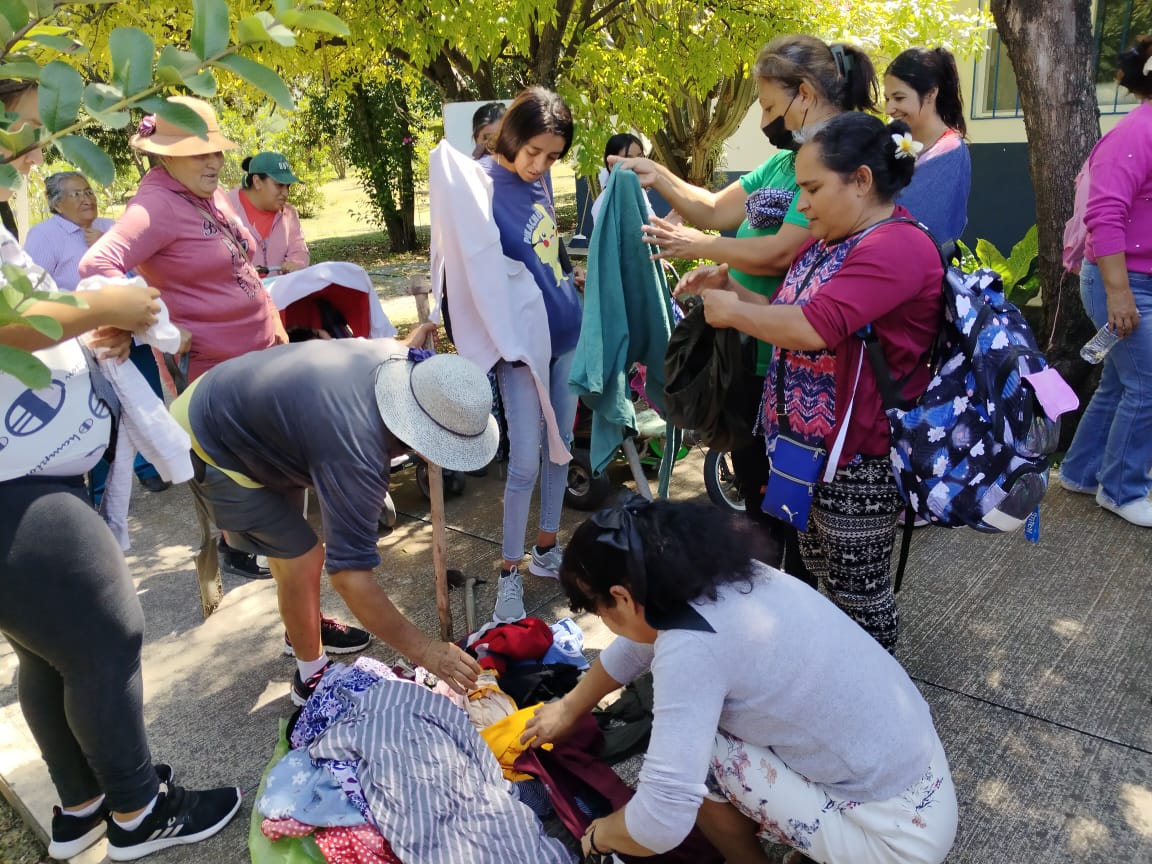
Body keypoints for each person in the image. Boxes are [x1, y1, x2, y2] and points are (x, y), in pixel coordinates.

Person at [0, 81, 242, 861]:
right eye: (32, 128)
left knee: (51, 648)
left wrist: (80, 332)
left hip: (31, 463)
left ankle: (81, 806)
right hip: (16, 481)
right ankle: (141, 814)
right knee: (107, 638)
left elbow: (25, 327)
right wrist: (121, 310)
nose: (43, 147)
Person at [522, 498, 957, 864]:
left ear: (621, 597)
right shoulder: (721, 576)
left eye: (601, 613)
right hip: (923, 780)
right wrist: (569, 706)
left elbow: (660, 821)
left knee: (706, 751)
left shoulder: (691, 650)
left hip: (898, 843)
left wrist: (602, 833)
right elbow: (643, 638)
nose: (607, 624)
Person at [676, 112, 944, 652]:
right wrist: (730, 289)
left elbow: (812, 326)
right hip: (806, 448)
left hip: (859, 458)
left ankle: (874, 710)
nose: (801, 205)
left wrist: (732, 312)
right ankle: (828, 689)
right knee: (821, 570)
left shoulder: (896, 248)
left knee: (860, 598)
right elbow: (785, 313)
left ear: (862, 180)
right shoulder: (831, 241)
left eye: (813, 188)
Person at [617, 35, 879, 581]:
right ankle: (777, 610)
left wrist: (702, 246)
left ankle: (790, 611)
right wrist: (657, 174)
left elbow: (783, 248)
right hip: (750, 355)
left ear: (803, 94)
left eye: (766, 105)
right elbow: (715, 207)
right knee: (764, 503)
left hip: (790, 367)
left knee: (789, 516)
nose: (764, 118)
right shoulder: (786, 162)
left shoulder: (833, 165)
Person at [78, 98, 329, 600]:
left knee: (287, 485)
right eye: (198, 153)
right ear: (165, 155)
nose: (213, 161)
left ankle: (298, 618)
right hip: (221, 379)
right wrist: (155, 324)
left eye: (214, 150)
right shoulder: (155, 205)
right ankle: (300, 624)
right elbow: (96, 268)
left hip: (264, 357)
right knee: (272, 499)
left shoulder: (202, 194)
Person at [171, 332, 494, 704]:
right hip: (213, 438)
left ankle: (302, 625)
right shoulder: (355, 450)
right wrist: (427, 652)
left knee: (293, 554)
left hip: (266, 420)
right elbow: (350, 577)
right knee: (302, 558)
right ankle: (310, 676)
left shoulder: (402, 365)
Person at [473, 87, 583, 622]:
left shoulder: (538, 178)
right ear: (513, 135)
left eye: (553, 157)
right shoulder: (479, 188)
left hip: (567, 334)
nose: (540, 165)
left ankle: (545, 550)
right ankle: (508, 575)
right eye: (534, 151)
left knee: (559, 453)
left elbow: (546, 247)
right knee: (522, 464)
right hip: (521, 351)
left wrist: (567, 273)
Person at [24, 171, 170, 496]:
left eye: (88, 190)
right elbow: (34, 289)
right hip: (86, 341)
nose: (87, 198)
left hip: (130, 332)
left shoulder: (110, 227)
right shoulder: (44, 235)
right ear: (55, 203)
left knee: (148, 400)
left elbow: (139, 273)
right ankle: (103, 487)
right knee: (101, 410)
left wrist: (105, 246)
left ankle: (152, 466)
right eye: (75, 194)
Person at [1058, 35, 1152, 527]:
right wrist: (1118, 294)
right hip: (1121, 282)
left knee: (1120, 380)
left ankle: (1080, 471)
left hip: (1136, 281)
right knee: (1148, 384)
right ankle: (1121, 490)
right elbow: (1106, 213)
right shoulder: (1139, 131)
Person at [883, 47, 971, 247]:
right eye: (887, 99)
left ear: (931, 93)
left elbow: (916, 224)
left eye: (899, 98)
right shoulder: (895, 137)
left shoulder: (949, 152)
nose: (889, 109)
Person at [225, 151, 309, 277]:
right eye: (279, 185)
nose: (285, 193)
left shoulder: (289, 214)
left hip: (280, 294)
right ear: (257, 181)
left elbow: (299, 251)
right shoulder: (224, 209)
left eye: (288, 186)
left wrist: (295, 264)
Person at [589, 132, 652, 226]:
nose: (637, 165)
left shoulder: (638, 191)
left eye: (640, 157)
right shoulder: (605, 204)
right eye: (628, 159)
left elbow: (650, 231)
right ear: (611, 165)